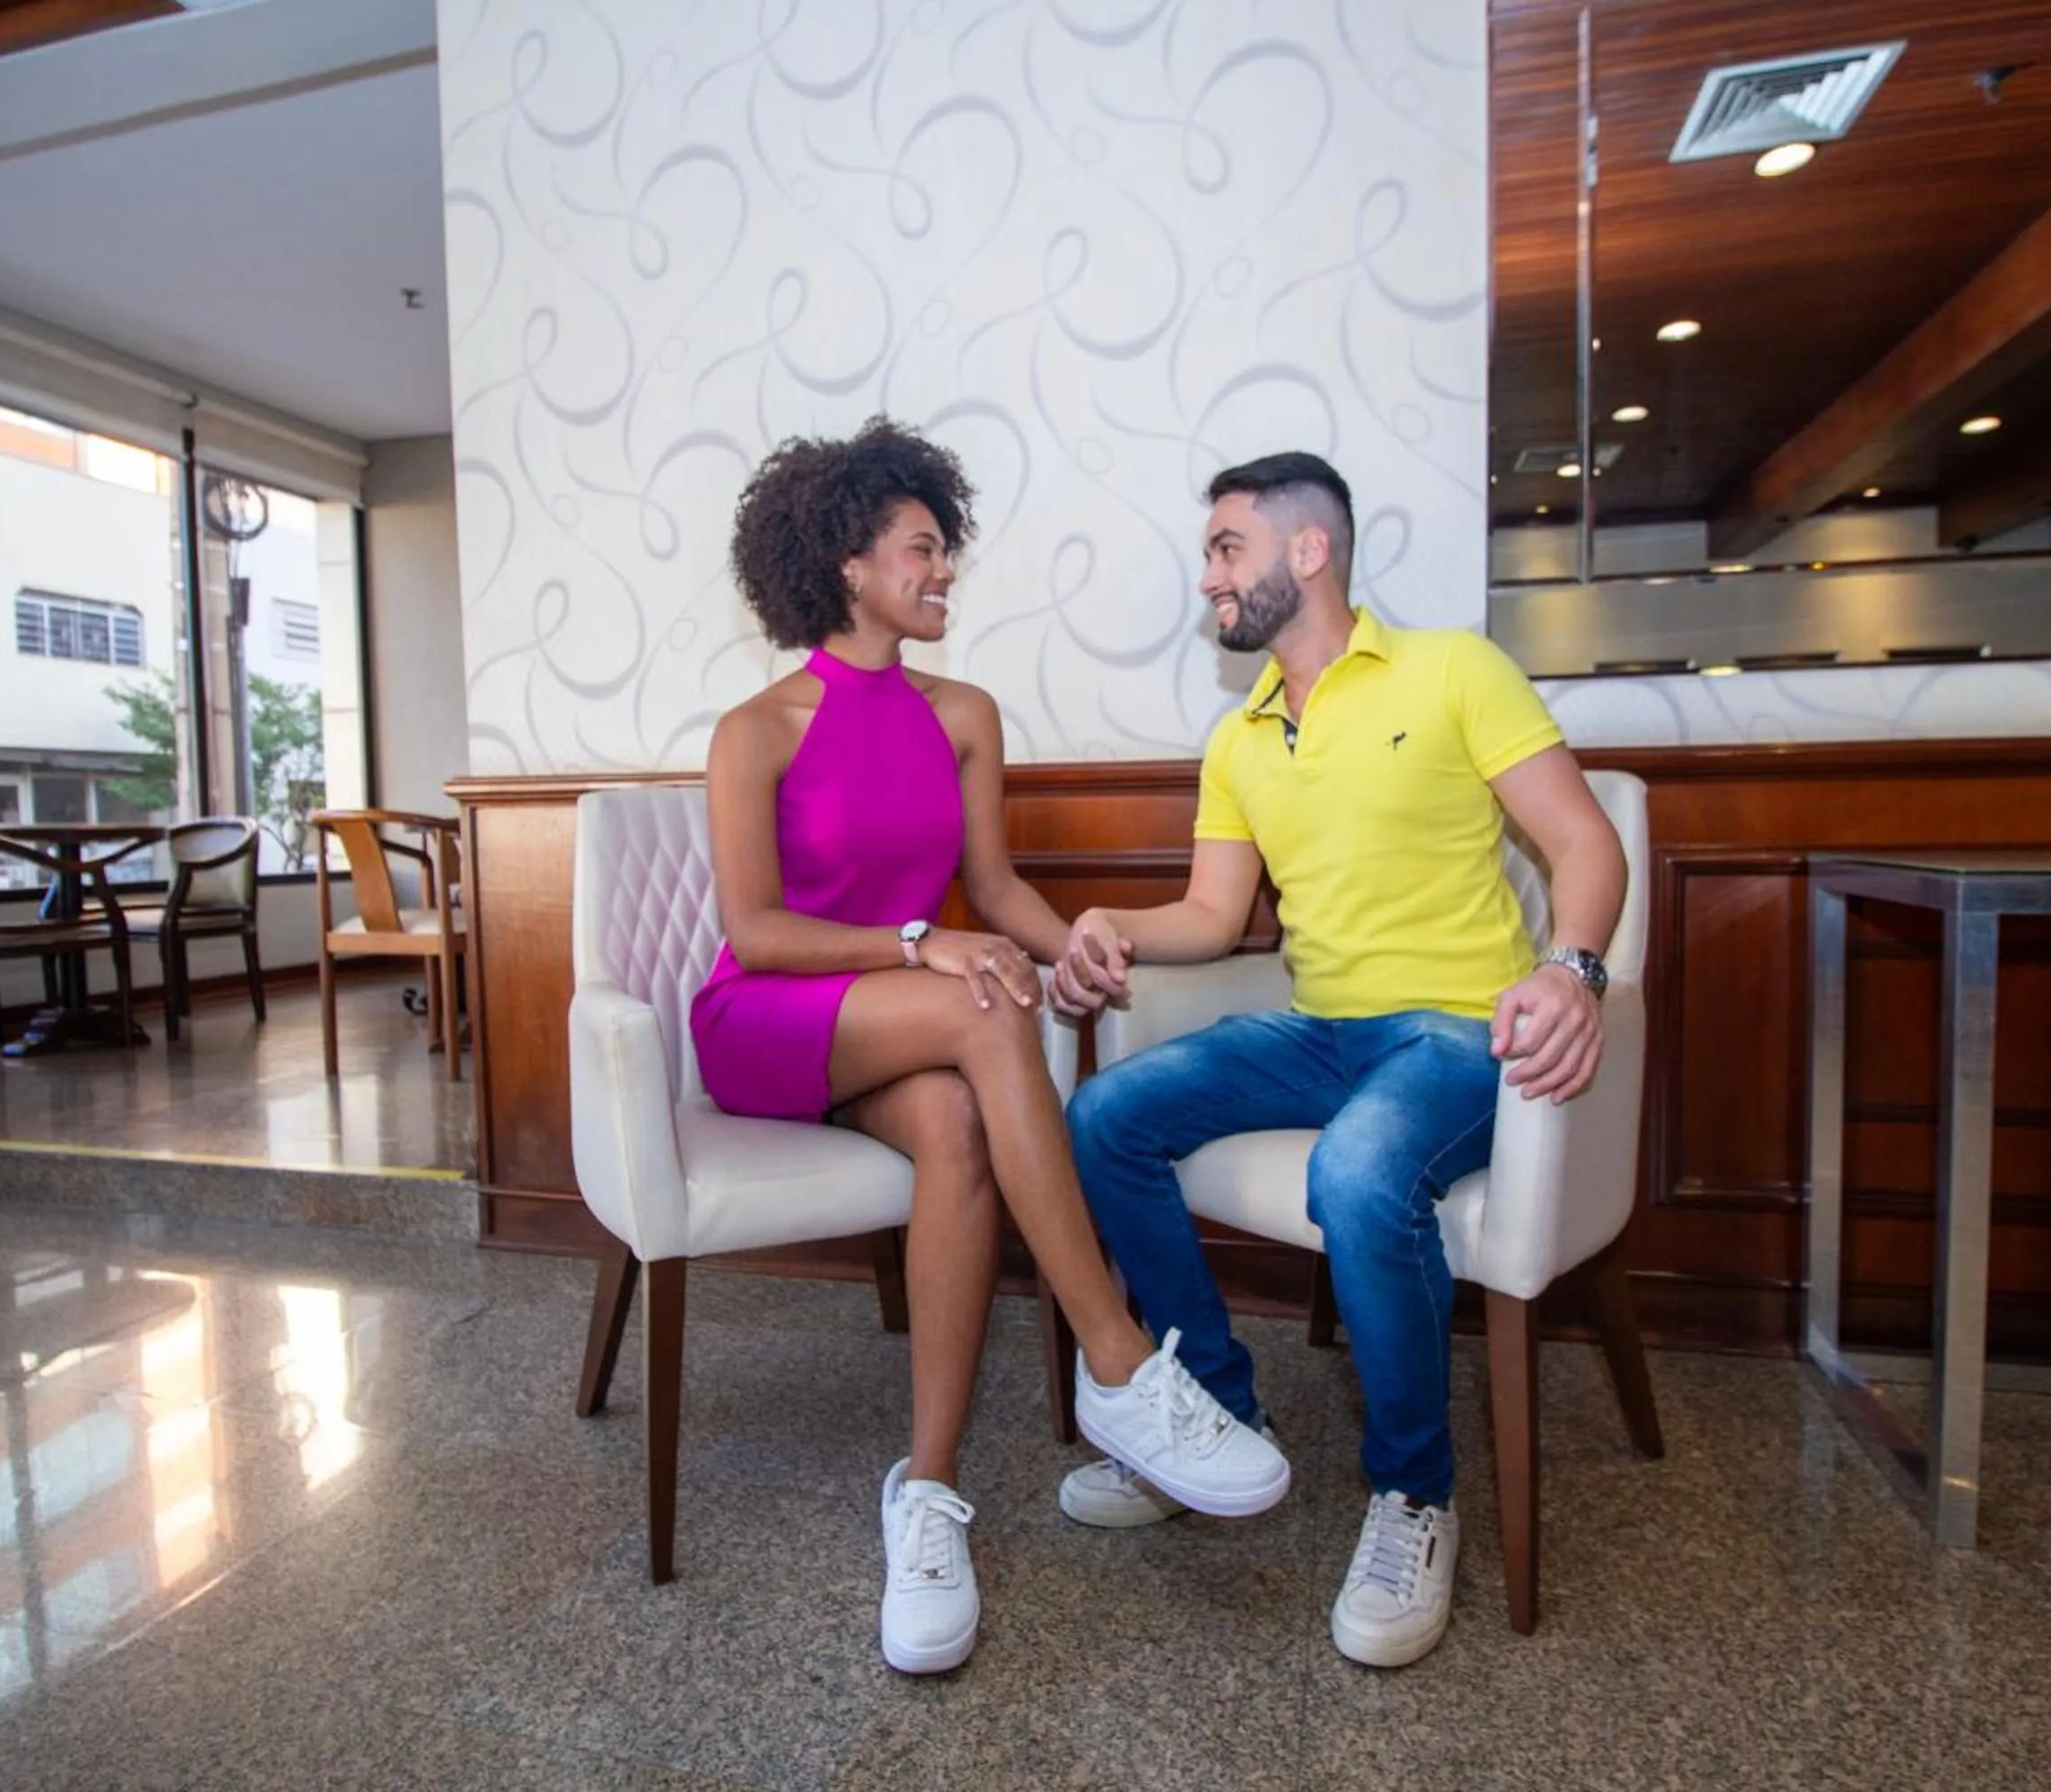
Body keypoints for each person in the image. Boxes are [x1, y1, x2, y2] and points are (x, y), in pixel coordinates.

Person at [694, 418, 1290, 1677]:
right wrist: (924, 946)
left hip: (895, 1031)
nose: (945, 568)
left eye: (945, 549)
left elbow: (995, 884)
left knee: (972, 1089)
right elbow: (756, 929)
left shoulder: (963, 713)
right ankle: (1118, 1363)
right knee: (984, 998)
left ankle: (928, 1496)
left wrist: (1073, 942)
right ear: (850, 562)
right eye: (924, 548)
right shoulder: (757, 730)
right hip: (769, 1023)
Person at [1047, 450, 1626, 1668]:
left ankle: (1414, 1495)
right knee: (1105, 1115)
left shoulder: (1452, 668)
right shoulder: (1242, 734)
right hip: (1318, 1028)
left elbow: (1586, 843)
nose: (1206, 575)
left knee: (1360, 1171)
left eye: (1225, 548)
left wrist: (1569, 967)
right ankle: (1212, 1412)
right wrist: (1106, 926)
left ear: (1308, 550)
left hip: (1458, 1028)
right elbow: (1213, 919)